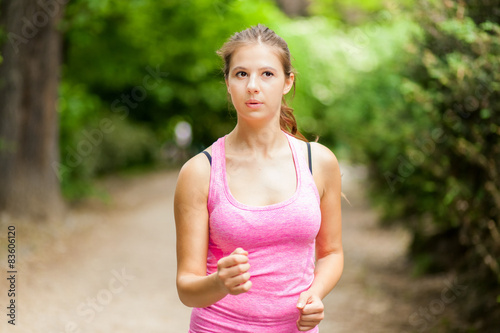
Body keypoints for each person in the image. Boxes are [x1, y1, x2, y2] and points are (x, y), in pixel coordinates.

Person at [174, 24, 343, 332]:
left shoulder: (318, 162)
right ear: (227, 82)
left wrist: (314, 296)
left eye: (267, 74)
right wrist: (219, 282)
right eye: (241, 74)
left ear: (287, 82)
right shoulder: (200, 172)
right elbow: (187, 287)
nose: (253, 85)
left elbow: (331, 252)